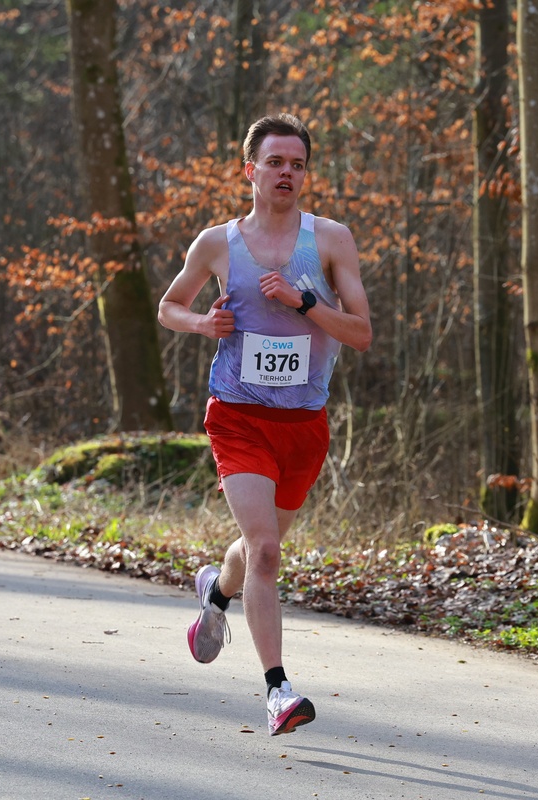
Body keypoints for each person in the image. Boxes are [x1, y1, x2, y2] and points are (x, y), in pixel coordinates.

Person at [158, 113, 372, 736]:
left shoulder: (331, 240)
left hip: (303, 423)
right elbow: (169, 306)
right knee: (268, 550)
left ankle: (216, 593)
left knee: (259, 547)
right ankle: (279, 691)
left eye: (297, 164)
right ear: (249, 170)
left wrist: (305, 302)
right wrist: (204, 324)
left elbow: (361, 333)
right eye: (275, 162)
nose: (287, 173)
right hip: (238, 416)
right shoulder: (217, 243)